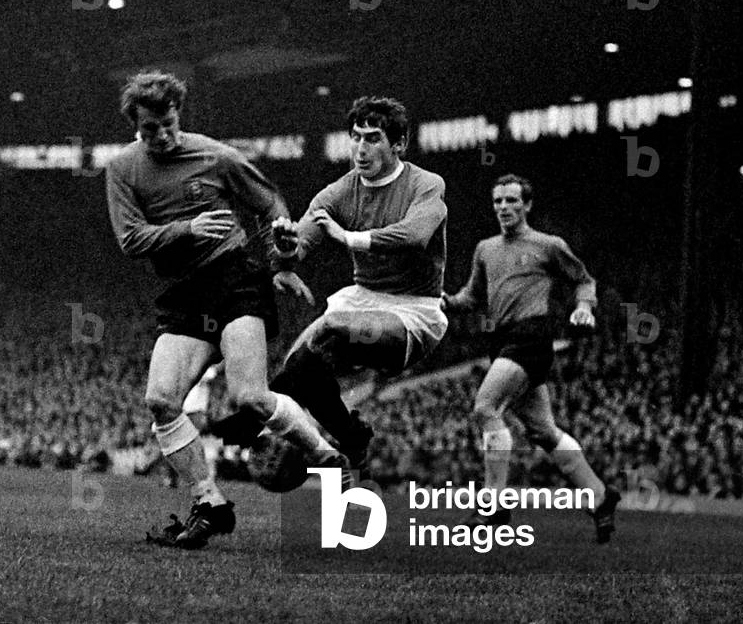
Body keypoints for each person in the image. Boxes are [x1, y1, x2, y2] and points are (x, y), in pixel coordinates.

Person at [106, 71, 348, 550]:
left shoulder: (215, 156)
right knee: (161, 401)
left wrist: (281, 258)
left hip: (234, 277)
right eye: (151, 128)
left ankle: (327, 457)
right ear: (135, 123)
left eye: (169, 124)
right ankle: (209, 503)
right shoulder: (122, 170)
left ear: (179, 114)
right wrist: (188, 228)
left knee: (249, 397)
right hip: (183, 292)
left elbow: (270, 202)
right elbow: (131, 239)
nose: (163, 135)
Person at [214, 96, 449, 475]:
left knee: (329, 328)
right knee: (299, 363)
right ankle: (350, 436)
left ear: (399, 144)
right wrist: (285, 248)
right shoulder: (339, 191)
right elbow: (299, 244)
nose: (360, 148)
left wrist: (347, 237)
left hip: (412, 312)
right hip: (361, 300)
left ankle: (251, 423)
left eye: (373, 138)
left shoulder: (426, 185)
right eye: (355, 136)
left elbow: (415, 235)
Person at [441, 174, 620, 543]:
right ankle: (601, 496)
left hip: (532, 336)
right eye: (498, 201)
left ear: (527, 205)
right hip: (502, 339)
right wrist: (447, 302)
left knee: (485, 408)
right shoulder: (485, 249)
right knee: (543, 431)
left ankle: (493, 505)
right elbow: (472, 296)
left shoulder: (547, 245)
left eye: (511, 200)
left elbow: (584, 279)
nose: (503, 207)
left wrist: (584, 307)